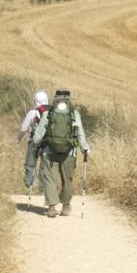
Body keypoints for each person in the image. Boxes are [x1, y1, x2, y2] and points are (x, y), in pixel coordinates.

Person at [32, 89, 91, 218]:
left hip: (49, 151)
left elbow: (39, 134)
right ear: (68, 99)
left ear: (56, 99)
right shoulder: (74, 113)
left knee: (49, 178)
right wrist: (85, 149)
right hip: (69, 152)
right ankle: (65, 207)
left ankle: (52, 207)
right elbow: (80, 133)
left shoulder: (48, 113)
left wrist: (36, 144)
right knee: (67, 179)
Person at [17, 90, 51, 189]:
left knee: (30, 164)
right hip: (47, 142)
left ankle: (29, 185)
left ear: (35, 100)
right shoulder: (51, 113)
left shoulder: (32, 113)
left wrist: (19, 138)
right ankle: (43, 188)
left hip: (34, 141)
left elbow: (23, 128)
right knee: (44, 165)